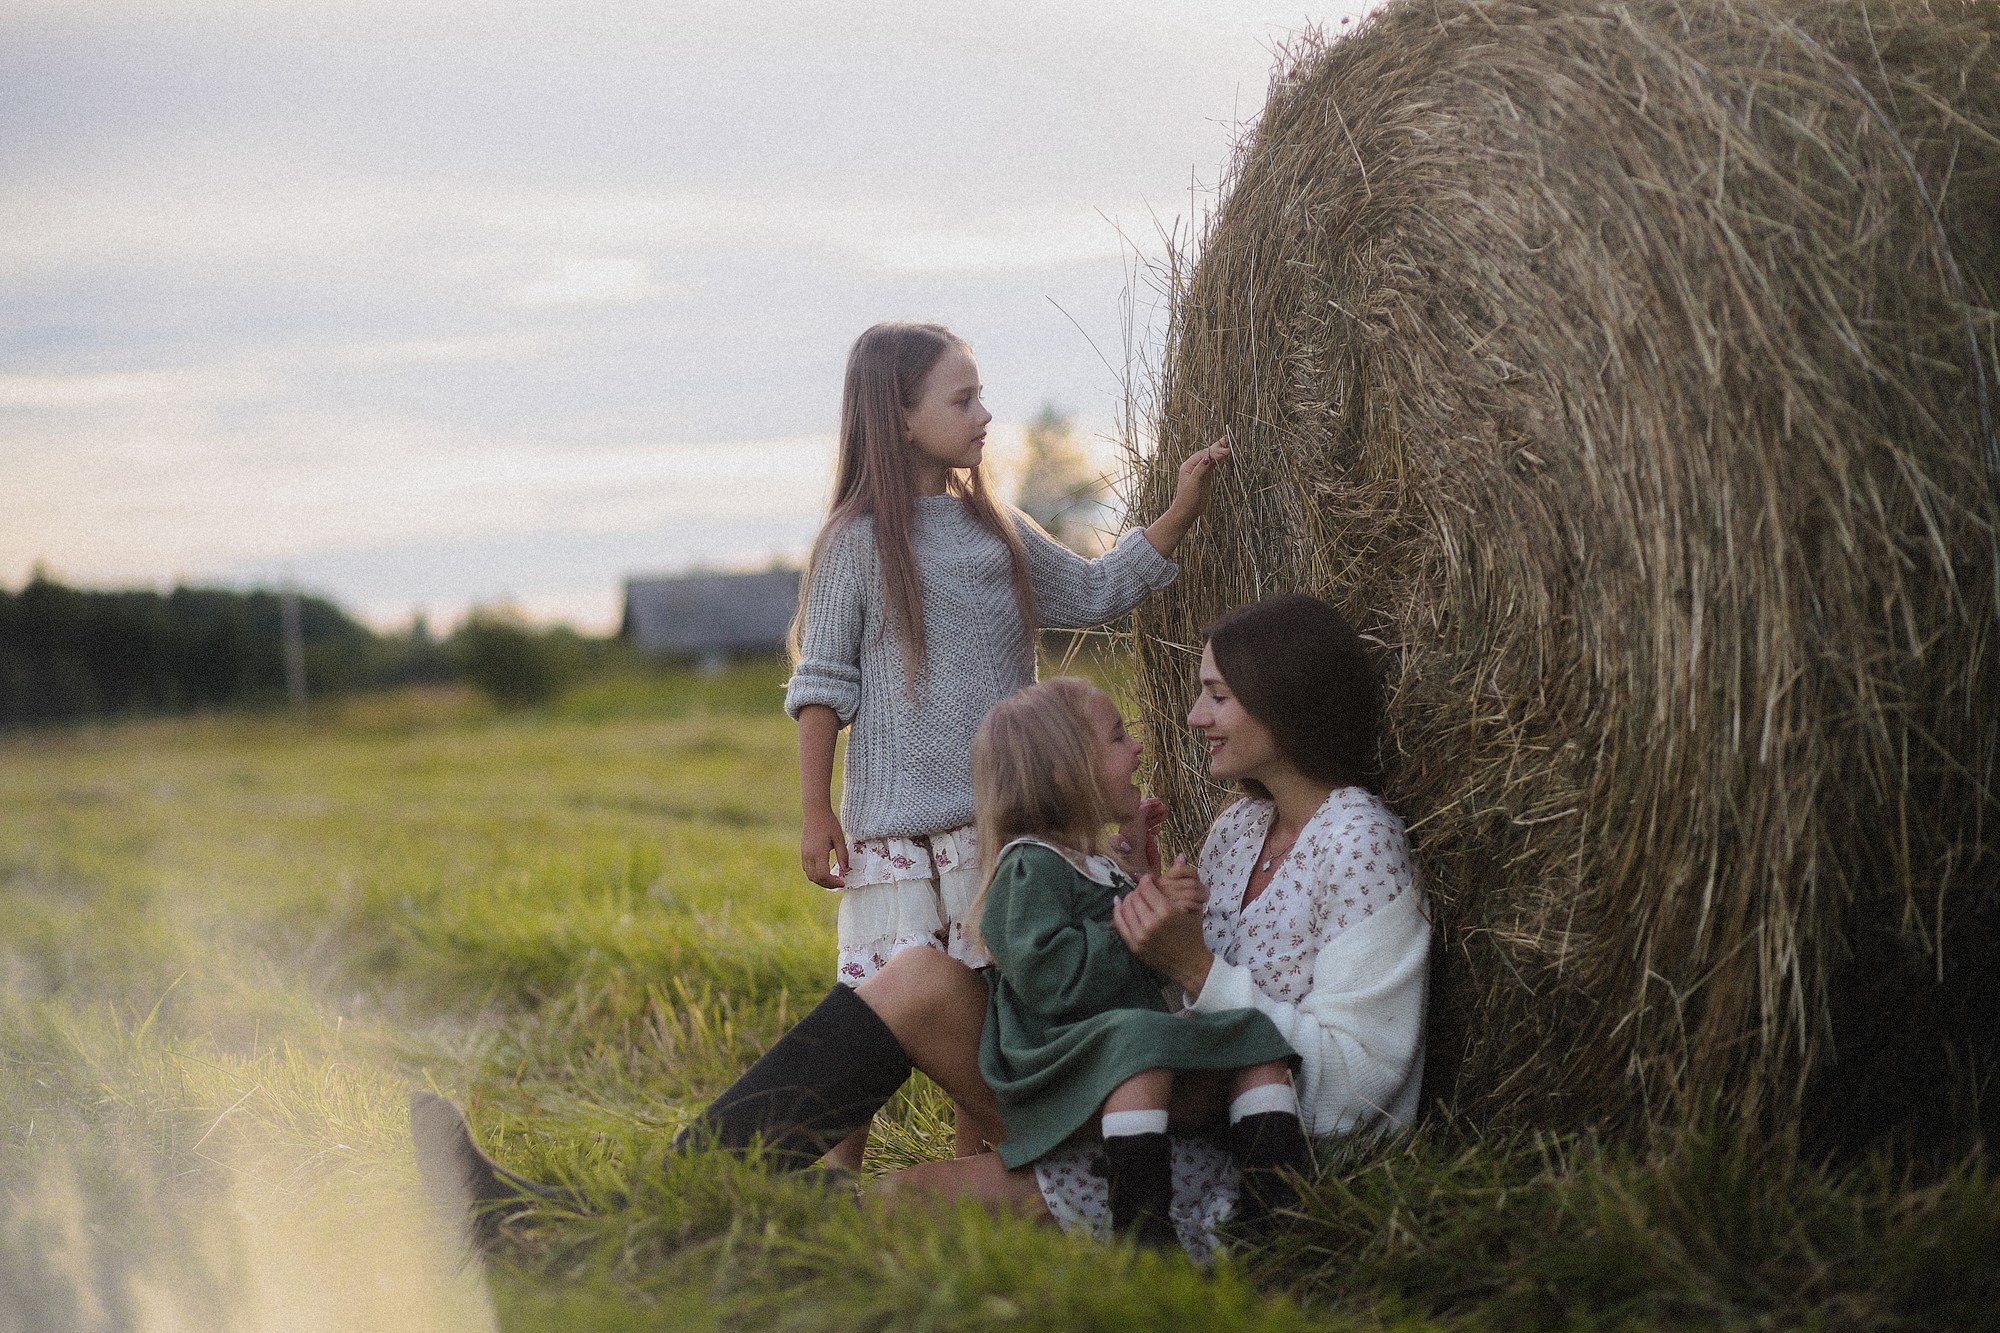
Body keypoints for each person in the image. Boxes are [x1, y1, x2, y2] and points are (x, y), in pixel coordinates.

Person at [414, 595, 1427, 1260]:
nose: (1193, 717)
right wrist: (1135, 904)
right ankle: (612, 1203)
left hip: (1232, 1161)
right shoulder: (1243, 823)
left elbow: (1353, 1094)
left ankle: (572, 1239)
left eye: (1215, 694)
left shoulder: (1359, 844)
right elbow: (1152, 991)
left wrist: (1189, 962)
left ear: (1281, 703)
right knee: (912, 976)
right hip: (1140, 1086)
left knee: (906, 1201)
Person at [783, 321, 1228, 1169]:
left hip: (997, 840)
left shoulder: (997, 528)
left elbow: (1098, 592)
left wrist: (1180, 511)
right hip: (895, 841)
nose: (986, 414)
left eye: (981, 393)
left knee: (993, 1016)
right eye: (964, 398)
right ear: (899, 416)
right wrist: (814, 809)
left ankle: (980, 1173)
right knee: (867, 1006)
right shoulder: (854, 543)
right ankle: (831, 1180)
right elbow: (822, 688)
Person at [969, 676, 1304, 1247]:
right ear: (1065, 774)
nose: (1139, 747)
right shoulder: (1030, 866)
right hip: (1058, 1050)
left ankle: (1274, 1211)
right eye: (1118, 736)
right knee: (1140, 1046)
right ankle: (1143, 1228)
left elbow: (1136, 942)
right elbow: (1051, 977)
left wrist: (1158, 891)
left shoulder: (1094, 861)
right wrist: (1133, 929)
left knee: (1254, 1034)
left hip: (1121, 1032)